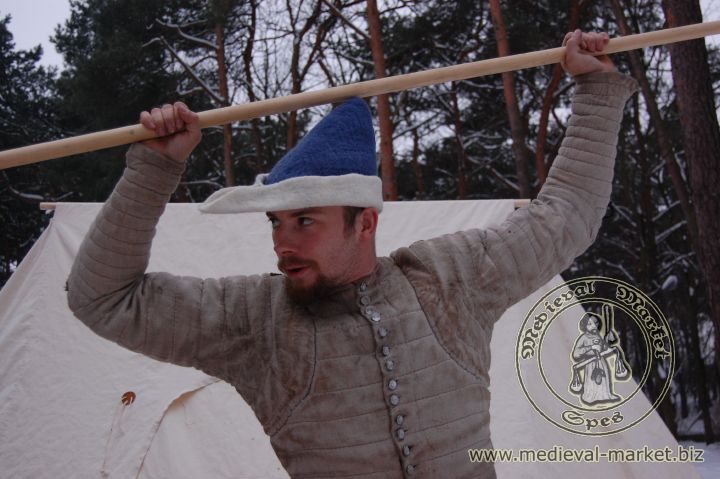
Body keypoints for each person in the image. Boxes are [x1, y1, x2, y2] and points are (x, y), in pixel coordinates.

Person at [67, 30, 638, 478]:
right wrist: (155, 170)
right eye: (277, 222)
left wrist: (595, 90)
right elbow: (103, 298)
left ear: (364, 222)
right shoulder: (252, 322)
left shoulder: (449, 279)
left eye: (305, 221)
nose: (282, 242)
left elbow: (566, 217)